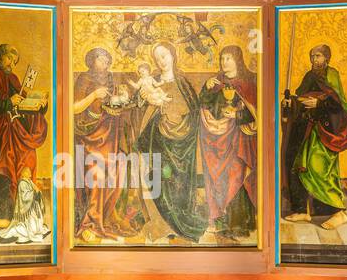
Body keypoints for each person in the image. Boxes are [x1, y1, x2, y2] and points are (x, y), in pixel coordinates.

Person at [133, 42, 207, 243]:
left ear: (173, 55)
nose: (161, 61)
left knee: (179, 184)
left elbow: (194, 113)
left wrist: (178, 122)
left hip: (182, 146)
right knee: (157, 179)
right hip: (157, 141)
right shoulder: (152, 81)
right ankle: (161, 223)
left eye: (164, 56)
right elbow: (140, 107)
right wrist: (147, 102)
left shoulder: (183, 83)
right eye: (157, 58)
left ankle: (178, 223)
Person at [72, 46, 145, 243]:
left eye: (106, 59)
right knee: (96, 175)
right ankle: (90, 222)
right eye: (100, 59)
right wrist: (94, 95)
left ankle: (107, 215)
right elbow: (73, 107)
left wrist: (122, 95)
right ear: (91, 61)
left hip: (110, 133)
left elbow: (115, 104)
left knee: (117, 170)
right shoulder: (84, 79)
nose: (104, 63)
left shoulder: (112, 78)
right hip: (89, 135)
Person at [282, 43, 347, 230]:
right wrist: (291, 102)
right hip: (306, 129)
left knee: (319, 168)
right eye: (313, 56)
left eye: (319, 56)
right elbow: (300, 97)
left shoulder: (332, 75)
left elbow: (339, 105)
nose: (315, 59)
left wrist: (319, 104)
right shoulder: (309, 76)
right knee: (299, 166)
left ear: (327, 58)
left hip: (325, 130)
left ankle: (338, 212)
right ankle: (303, 209)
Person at [0, 43, 48, 231]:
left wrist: (39, 104)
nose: (11, 64)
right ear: (1, 55)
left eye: (14, 61)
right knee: (2, 169)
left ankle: (21, 213)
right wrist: (8, 102)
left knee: (24, 161)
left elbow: (22, 102)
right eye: (9, 58)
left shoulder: (14, 78)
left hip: (13, 128)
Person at [197, 45, 258, 239]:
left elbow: (256, 113)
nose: (224, 62)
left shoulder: (248, 83)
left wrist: (237, 114)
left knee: (236, 177)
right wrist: (206, 90)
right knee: (218, 180)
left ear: (238, 60)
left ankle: (239, 225)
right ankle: (220, 221)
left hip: (238, 140)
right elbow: (206, 107)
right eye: (222, 58)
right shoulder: (215, 82)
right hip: (217, 141)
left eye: (229, 58)